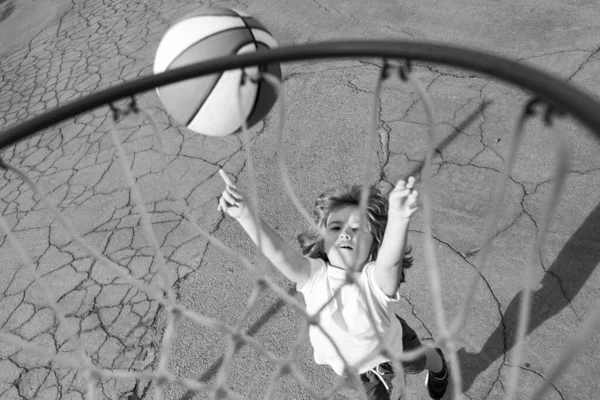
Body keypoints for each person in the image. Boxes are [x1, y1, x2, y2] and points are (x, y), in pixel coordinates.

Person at [217, 170, 450, 399]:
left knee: (418, 362)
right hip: (352, 371)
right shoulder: (314, 276)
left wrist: (399, 219)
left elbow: (390, 264)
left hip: (394, 347)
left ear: (375, 244)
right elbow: (280, 255)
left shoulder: (374, 280)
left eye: (357, 229)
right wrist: (244, 214)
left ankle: (438, 364)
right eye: (336, 227)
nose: (345, 234)